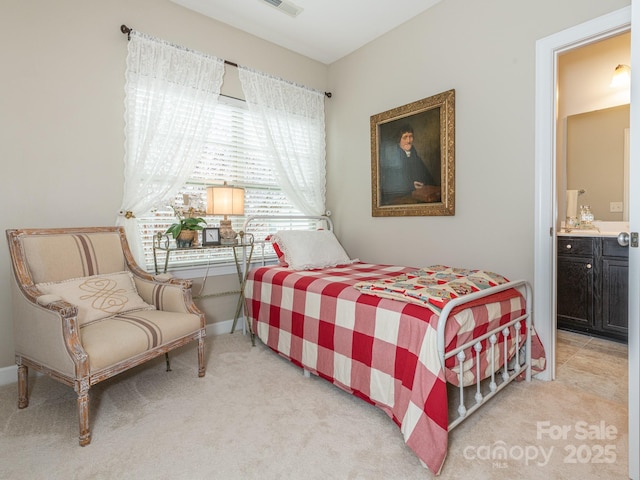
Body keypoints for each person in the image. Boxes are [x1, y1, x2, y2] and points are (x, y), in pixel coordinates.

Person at [379, 124, 438, 205]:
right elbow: (391, 184)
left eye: (410, 136)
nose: (408, 140)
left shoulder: (414, 155)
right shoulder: (393, 157)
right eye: (405, 137)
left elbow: (426, 174)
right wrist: (411, 185)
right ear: (399, 139)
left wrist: (426, 185)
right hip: (400, 198)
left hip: (419, 195)